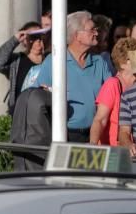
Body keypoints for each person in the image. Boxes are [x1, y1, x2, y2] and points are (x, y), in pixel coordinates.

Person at [21, 10, 112, 142]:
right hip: (65, 136)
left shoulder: (100, 62)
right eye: (92, 30)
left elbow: (111, 96)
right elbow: (37, 98)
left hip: (96, 136)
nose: (96, 33)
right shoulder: (54, 62)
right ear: (77, 35)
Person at [90, 38, 136, 146]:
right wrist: (93, 147)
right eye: (135, 57)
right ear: (123, 63)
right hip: (113, 151)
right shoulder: (112, 84)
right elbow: (100, 120)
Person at [0, 21, 46, 115]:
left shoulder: (50, 59)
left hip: (44, 112)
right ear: (25, 40)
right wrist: (15, 39)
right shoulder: (17, 60)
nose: (37, 41)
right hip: (20, 114)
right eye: (33, 37)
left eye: (40, 36)